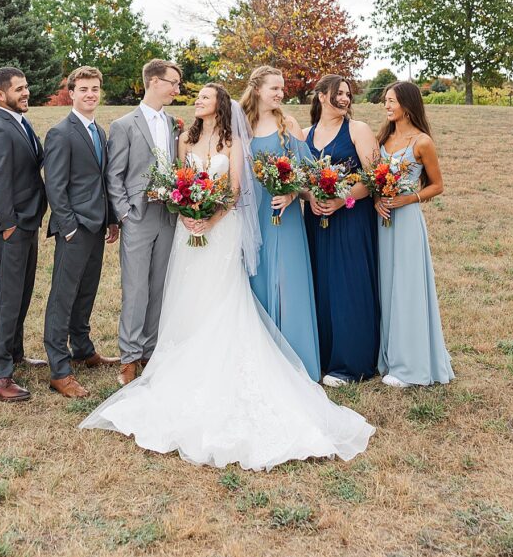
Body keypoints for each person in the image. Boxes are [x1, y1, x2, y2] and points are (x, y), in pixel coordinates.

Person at [80, 84, 375, 471]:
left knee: (220, 295)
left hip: (221, 229)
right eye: (197, 97)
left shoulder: (234, 141)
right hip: (189, 229)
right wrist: (188, 212)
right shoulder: (184, 139)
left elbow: (235, 191)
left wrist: (210, 218)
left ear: (219, 104)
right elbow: (181, 182)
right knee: (187, 294)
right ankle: (179, 363)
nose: (197, 100)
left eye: (204, 97)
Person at [240, 66, 320, 381]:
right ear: (257, 89)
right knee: (256, 282)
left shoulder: (289, 124)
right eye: (274, 88)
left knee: (288, 283)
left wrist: (291, 193)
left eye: (282, 88)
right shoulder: (240, 124)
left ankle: (296, 363)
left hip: (284, 218)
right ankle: (261, 364)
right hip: (251, 216)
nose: (280, 94)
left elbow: (309, 175)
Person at [43, 66, 119, 399]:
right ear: (71, 93)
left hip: (97, 224)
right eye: (84, 89)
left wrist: (111, 218)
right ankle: (59, 369)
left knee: (86, 291)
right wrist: (69, 227)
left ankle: (83, 349)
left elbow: (103, 180)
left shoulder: (99, 131)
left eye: (95, 89)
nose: (90, 94)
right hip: (74, 229)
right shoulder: (61, 133)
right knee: (63, 296)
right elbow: (55, 185)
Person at [106, 58, 182, 386]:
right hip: (138, 215)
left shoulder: (174, 124)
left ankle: (150, 351)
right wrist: (124, 213)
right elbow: (114, 174)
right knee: (136, 288)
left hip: (169, 214)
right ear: (154, 81)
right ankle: (129, 356)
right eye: (173, 82)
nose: (177, 89)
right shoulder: (124, 125)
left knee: (160, 286)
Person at [303, 75, 380, 386]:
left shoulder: (358, 129)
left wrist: (340, 199)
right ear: (322, 96)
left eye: (348, 94)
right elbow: (300, 180)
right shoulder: (305, 134)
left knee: (349, 284)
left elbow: (374, 178)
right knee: (321, 283)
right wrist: (310, 197)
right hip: (316, 220)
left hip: (350, 217)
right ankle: (324, 356)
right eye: (339, 93)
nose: (345, 98)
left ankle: (351, 364)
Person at [375, 81, 454, 387]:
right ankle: (389, 356)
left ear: (407, 105)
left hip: (407, 221)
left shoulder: (422, 142)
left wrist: (409, 199)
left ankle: (411, 366)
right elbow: (373, 180)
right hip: (382, 221)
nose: (386, 106)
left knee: (407, 288)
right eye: (386, 101)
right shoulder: (383, 138)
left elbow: (437, 185)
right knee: (387, 286)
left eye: (391, 101)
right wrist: (377, 199)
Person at [0, 67, 47, 403]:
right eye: (19, 89)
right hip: (11, 227)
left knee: (21, 292)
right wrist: (8, 224)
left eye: (26, 86)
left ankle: (14, 352)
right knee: (7, 298)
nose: (26, 92)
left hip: (27, 222)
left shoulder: (20, 122)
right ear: (0, 95)